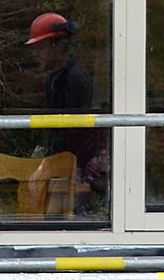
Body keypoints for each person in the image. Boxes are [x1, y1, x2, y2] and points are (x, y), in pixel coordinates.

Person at [26, 12, 107, 207]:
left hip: (72, 169)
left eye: (40, 47)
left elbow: (76, 135)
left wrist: (48, 166)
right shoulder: (54, 80)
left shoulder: (75, 80)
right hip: (60, 167)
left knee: (63, 222)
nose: (35, 54)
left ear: (59, 45)